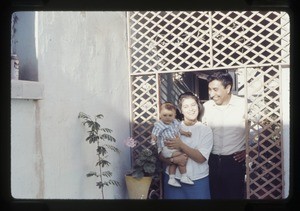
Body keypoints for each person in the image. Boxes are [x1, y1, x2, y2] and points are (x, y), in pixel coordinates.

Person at [158, 92, 213, 199]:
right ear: (181, 110)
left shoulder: (205, 130)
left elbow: (201, 158)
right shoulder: (170, 127)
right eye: (186, 106)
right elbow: (160, 154)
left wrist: (181, 145)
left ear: (198, 106)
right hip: (173, 179)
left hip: (198, 180)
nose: (191, 109)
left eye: (193, 105)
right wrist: (173, 161)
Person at [202, 71, 246, 199]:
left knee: (234, 198)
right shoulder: (206, 107)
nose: (211, 94)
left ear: (228, 88)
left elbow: (259, 132)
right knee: (214, 198)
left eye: (215, 89)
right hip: (211, 161)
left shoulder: (243, 105)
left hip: (235, 162)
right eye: (209, 89)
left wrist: (249, 150)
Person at [151, 102, 194, 187]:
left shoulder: (175, 122)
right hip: (167, 148)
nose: (167, 118)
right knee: (184, 155)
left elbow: (179, 130)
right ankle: (184, 176)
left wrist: (185, 133)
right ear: (160, 115)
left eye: (170, 115)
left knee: (174, 163)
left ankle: (172, 179)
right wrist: (153, 139)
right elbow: (154, 134)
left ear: (174, 115)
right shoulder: (159, 124)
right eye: (164, 115)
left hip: (174, 148)